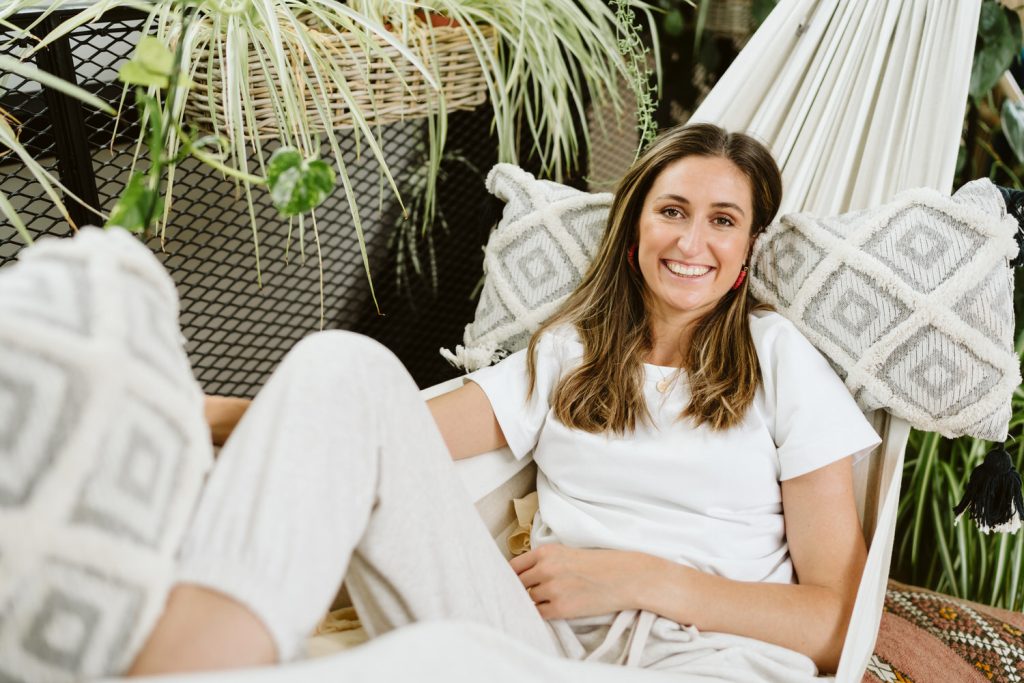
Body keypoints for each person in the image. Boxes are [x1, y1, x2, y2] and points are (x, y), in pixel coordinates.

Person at [2, 123, 881, 682]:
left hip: (705, 664)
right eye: (673, 210)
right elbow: (369, 426)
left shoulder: (779, 360)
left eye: (723, 219)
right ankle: (202, 648)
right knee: (345, 365)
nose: (693, 240)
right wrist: (174, 407)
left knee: (438, 662)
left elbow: (835, 621)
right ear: (634, 229)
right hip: (540, 648)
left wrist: (640, 577)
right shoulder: (568, 355)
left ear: (749, 245)